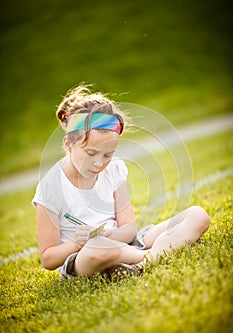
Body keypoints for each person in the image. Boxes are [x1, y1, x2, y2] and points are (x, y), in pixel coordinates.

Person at [32, 84, 210, 279]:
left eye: (108, 154)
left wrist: (113, 236)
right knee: (98, 247)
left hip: (124, 245)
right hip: (85, 256)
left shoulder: (114, 169)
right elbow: (48, 259)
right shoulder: (50, 189)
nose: (99, 163)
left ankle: (138, 263)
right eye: (90, 153)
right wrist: (75, 243)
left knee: (197, 215)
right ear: (69, 144)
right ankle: (157, 253)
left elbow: (129, 230)